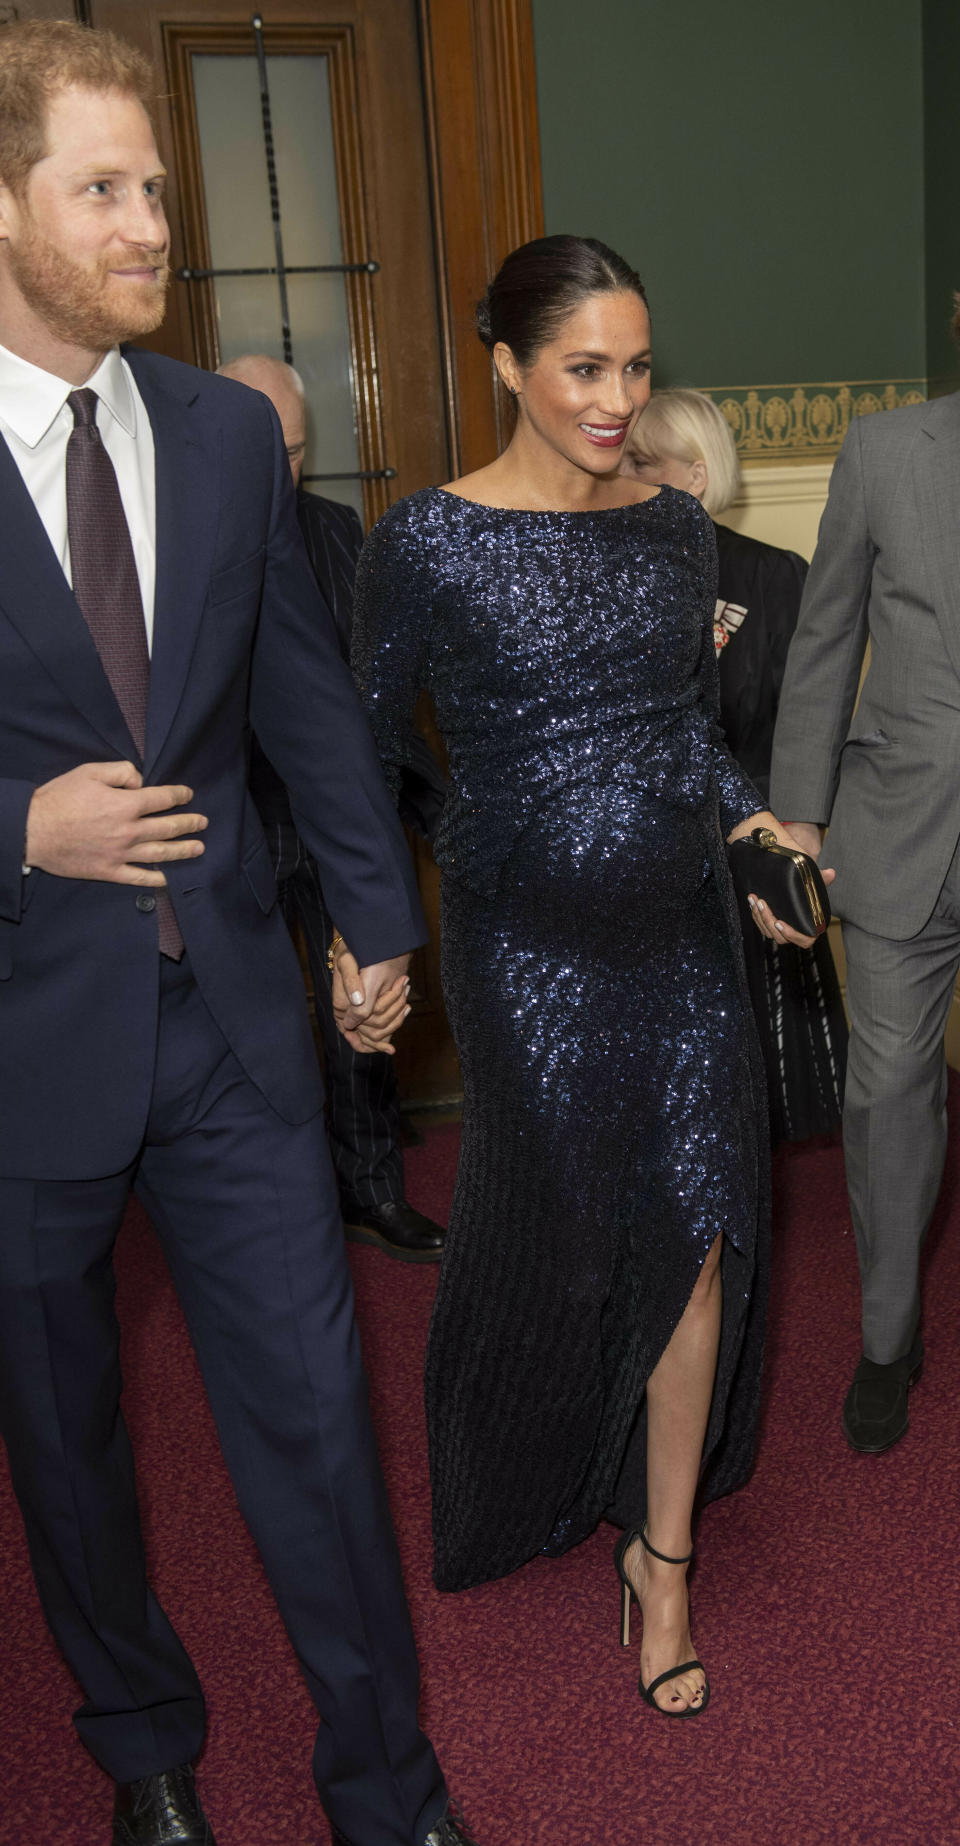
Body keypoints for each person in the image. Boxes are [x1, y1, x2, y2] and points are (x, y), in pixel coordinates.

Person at [0, 22, 478, 1846]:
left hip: (229, 1031)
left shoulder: (220, 435)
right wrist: (18, 826)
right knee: (66, 1445)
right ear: (4, 204)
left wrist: (374, 920)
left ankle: (390, 1786)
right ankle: (143, 1749)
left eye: (159, 191)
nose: (150, 228)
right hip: (24, 1031)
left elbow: (302, 708)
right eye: (103, 189)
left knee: (314, 1423)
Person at [349, 234, 824, 1718]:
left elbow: (689, 729)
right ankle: (537, 1464)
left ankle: (663, 1553)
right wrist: (437, 863)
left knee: (696, 1226)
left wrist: (749, 831)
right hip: (526, 949)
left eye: (635, 366)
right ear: (506, 363)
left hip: (680, 936)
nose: (619, 398)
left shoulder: (672, 531)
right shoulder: (424, 540)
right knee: (553, 1224)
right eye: (584, 369)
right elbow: (365, 744)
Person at [770, 297, 960, 1456]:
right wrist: (799, 816)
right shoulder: (889, 451)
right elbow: (825, 636)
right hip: (898, 834)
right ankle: (889, 1338)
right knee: (888, 1095)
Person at [217, 353, 447, 1264]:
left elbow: (370, 695)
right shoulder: (174, 534)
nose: (284, 474)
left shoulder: (335, 526)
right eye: (266, 452)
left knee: (364, 1004)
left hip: (332, 818)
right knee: (251, 1025)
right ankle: (267, 1207)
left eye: (298, 452)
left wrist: (397, 810)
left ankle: (373, 1191)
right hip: (230, 824)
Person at [623, 388, 847, 1145]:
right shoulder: (604, 573)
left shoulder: (776, 576)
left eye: (640, 461)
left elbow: (806, 718)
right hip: (640, 839)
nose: (620, 471)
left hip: (751, 827)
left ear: (692, 474)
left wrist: (794, 832)